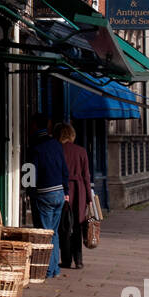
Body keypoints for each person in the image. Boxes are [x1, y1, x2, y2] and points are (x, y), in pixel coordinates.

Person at [26, 113, 67, 279]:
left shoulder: (35, 146)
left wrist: (30, 192)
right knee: (54, 232)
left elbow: (29, 173)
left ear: (35, 125)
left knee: (44, 233)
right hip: (59, 192)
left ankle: (47, 270)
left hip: (45, 193)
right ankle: (55, 268)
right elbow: (65, 169)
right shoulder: (56, 144)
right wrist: (67, 191)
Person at [55, 122, 91, 269]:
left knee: (64, 225)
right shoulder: (81, 151)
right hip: (79, 190)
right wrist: (89, 198)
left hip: (63, 189)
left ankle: (66, 259)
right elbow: (86, 176)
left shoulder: (57, 150)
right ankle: (79, 259)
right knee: (77, 224)